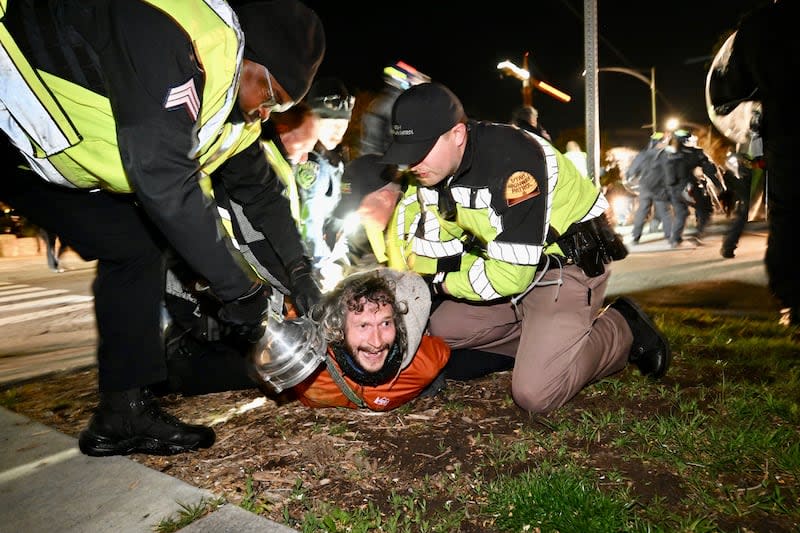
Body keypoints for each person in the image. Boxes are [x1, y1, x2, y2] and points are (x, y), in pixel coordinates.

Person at [0, 0, 325, 456]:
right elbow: (163, 181)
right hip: (9, 104)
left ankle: (122, 411)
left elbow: (263, 196)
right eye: (271, 97)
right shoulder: (175, 34)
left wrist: (300, 270)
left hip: (35, 156)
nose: (267, 114)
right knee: (138, 239)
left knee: (133, 246)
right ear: (248, 59)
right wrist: (239, 291)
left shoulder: (230, 112)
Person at [381, 82, 670, 414]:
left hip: (565, 269)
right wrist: (416, 293)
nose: (412, 163)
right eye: (406, 150)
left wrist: (444, 283)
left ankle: (622, 327)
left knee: (536, 394)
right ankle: (543, 342)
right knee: (441, 329)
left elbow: (509, 277)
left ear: (458, 134)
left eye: (421, 148)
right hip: (510, 271)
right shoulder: (432, 174)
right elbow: (431, 250)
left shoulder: (514, 163)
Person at [158, 268, 450, 412]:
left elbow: (447, 354)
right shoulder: (308, 353)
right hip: (282, 371)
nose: (376, 341)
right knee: (219, 368)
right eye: (362, 325)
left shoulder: (422, 364)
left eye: (385, 323)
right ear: (338, 328)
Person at [707, 0, 800, 326]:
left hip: (786, 130)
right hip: (783, 130)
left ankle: (793, 302)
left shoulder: (760, 25)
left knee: (788, 216)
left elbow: (727, 88)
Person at [294, 77, 355, 264]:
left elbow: (343, 202)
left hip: (329, 250)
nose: (337, 131)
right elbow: (308, 222)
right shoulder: (311, 164)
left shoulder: (338, 161)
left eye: (342, 124)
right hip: (308, 259)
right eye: (330, 122)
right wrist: (320, 264)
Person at [359, 61, 430, 156]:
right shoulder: (391, 104)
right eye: (413, 80)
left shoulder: (386, 102)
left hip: (380, 160)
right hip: (380, 162)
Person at [627, 135, 673, 245]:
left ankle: (635, 237)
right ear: (660, 142)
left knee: (641, 212)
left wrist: (635, 182)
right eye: (665, 141)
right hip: (660, 189)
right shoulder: (666, 155)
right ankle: (670, 237)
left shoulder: (642, 155)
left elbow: (631, 172)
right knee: (665, 212)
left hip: (645, 188)